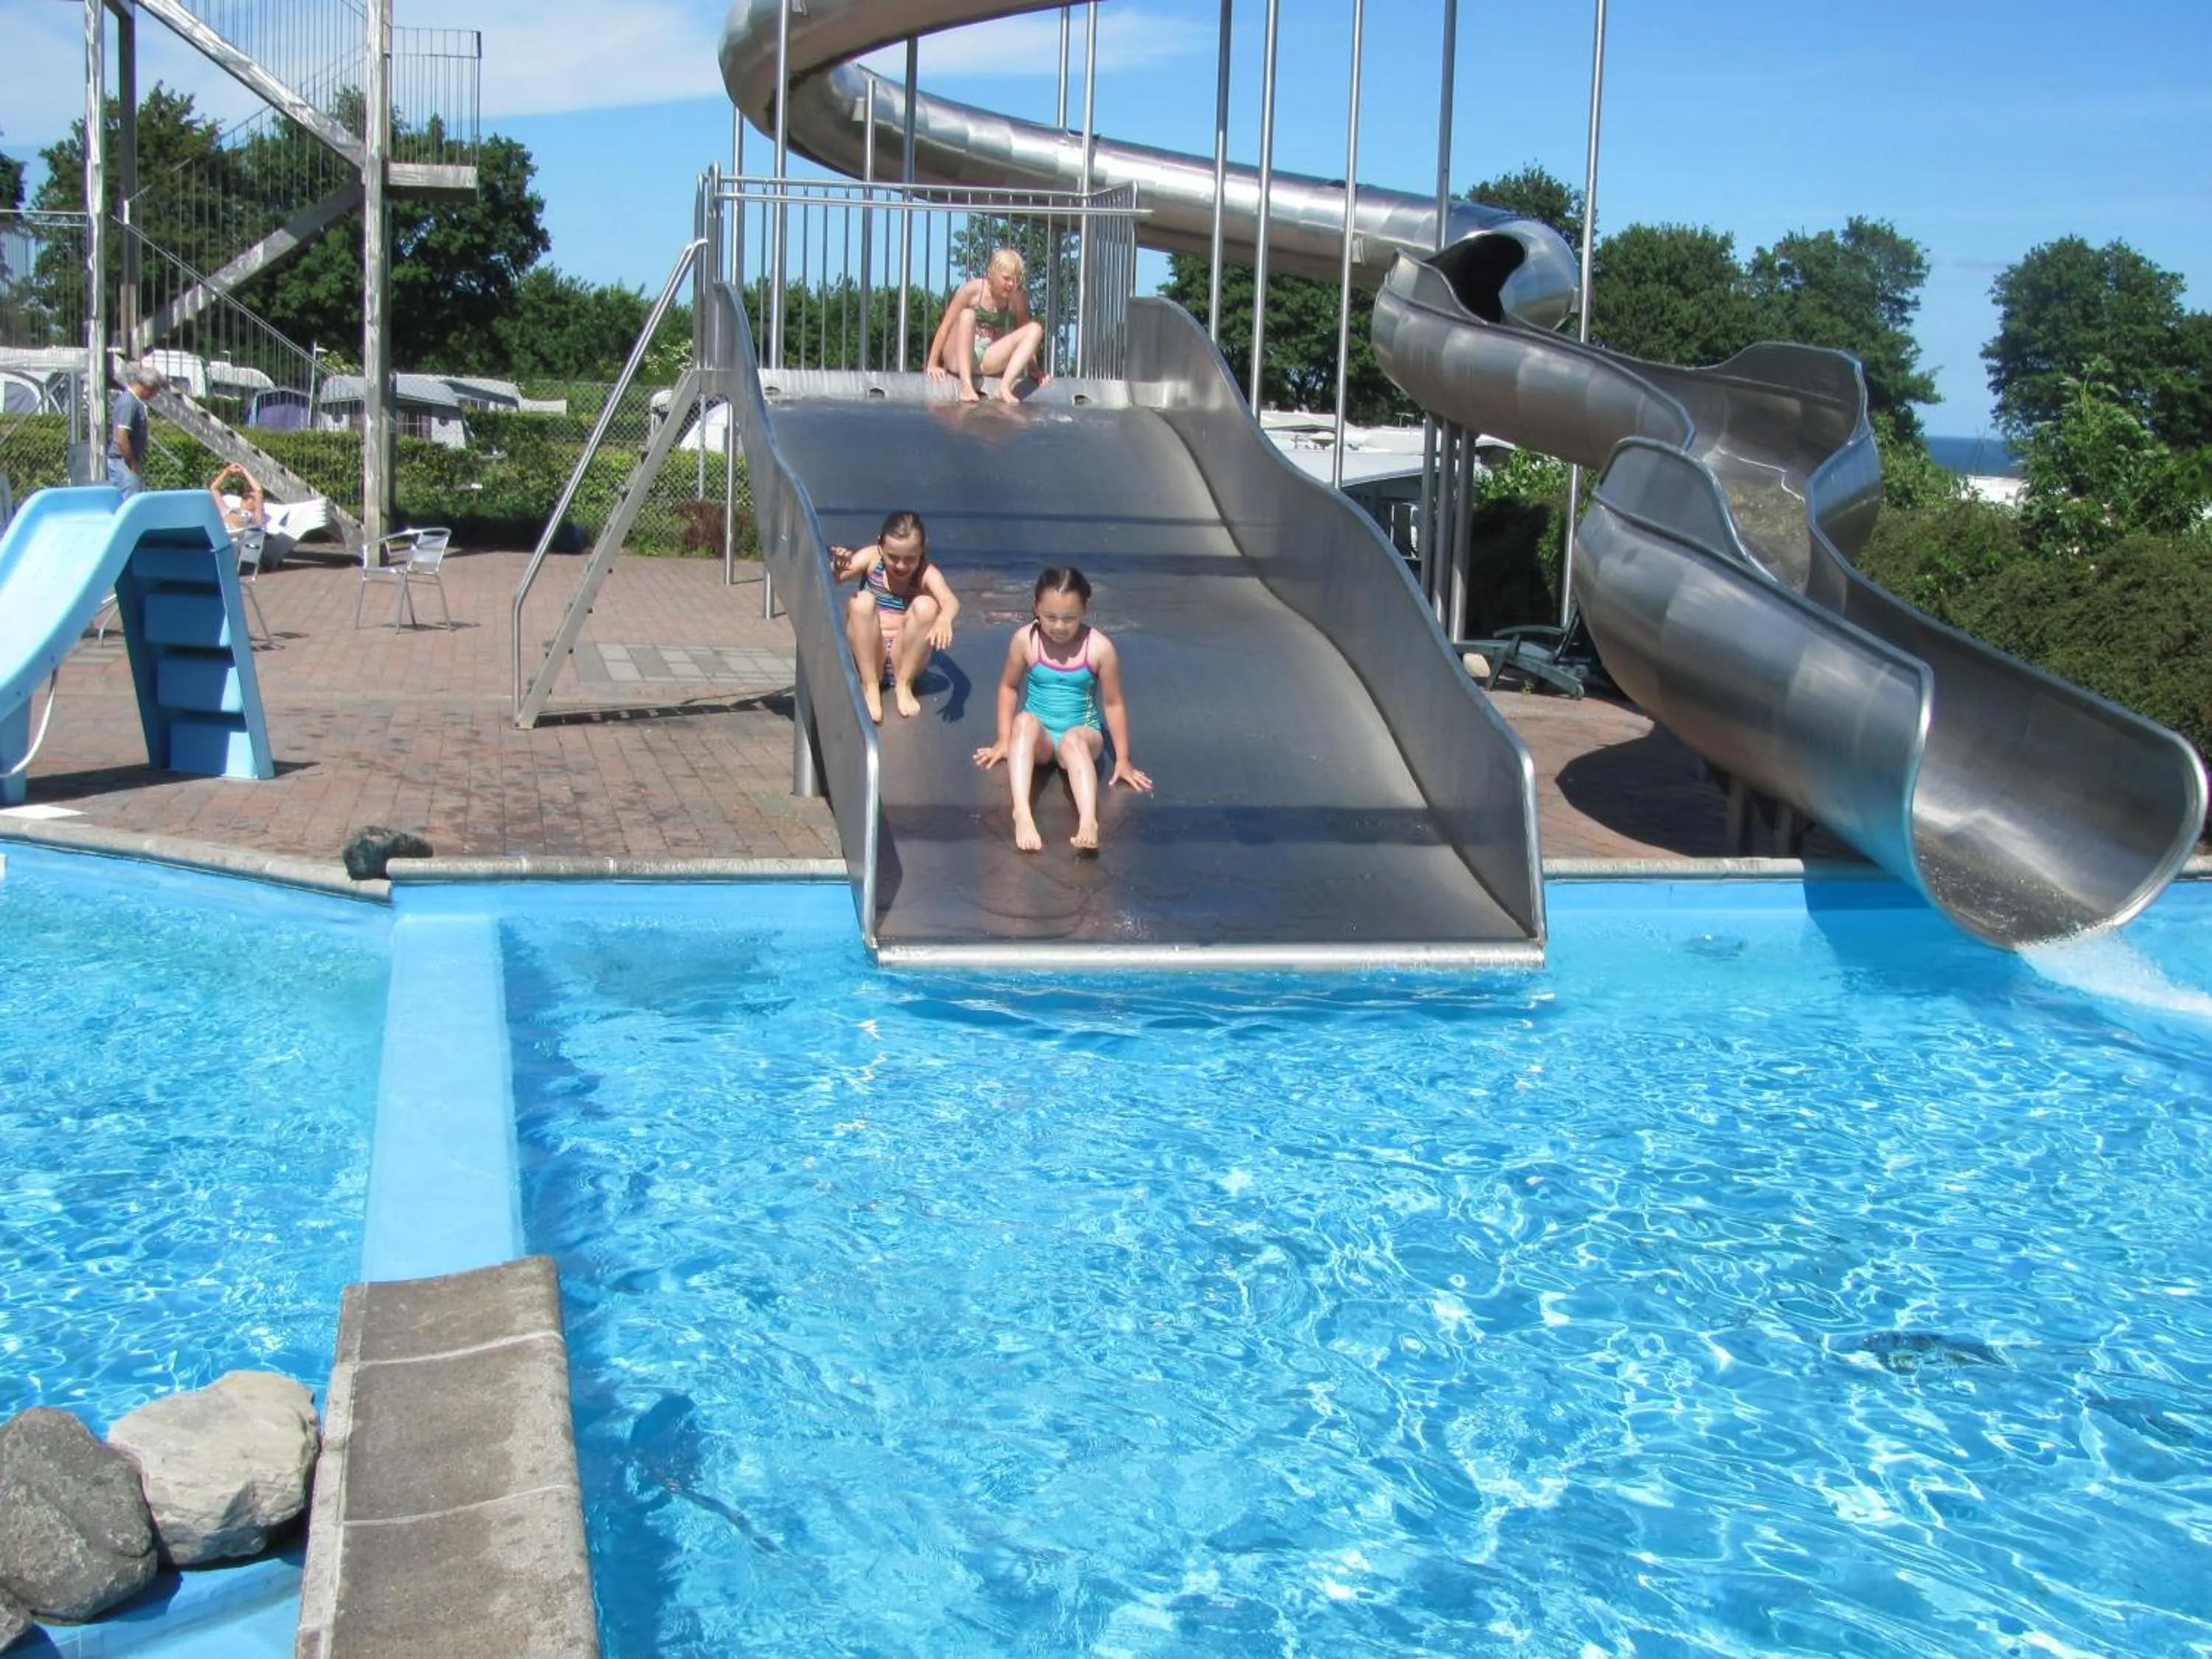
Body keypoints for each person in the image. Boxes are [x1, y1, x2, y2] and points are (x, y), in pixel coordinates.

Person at [973, 566, 1151, 853]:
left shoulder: (1099, 649)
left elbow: (1113, 703)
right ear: (1036, 608)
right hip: (1040, 739)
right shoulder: (1026, 640)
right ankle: (1022, 813)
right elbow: (1008, 687)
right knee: (1024, 721)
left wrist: (1123, 760)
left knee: (1073, 740)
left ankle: (1088, 822)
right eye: (1050, 617)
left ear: (1085, 609)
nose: (1058, 626)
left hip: (1081, 735)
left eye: (1069, 618)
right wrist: (1004, 739)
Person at [830, 509, 961, 723]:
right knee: (861, 601)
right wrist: (837, 566)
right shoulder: (872, 558)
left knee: (927, 606)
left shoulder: (926, 573)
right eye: (893, 557)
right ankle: (870, 685)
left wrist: (944, 619)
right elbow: (831, 578)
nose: (901, 566)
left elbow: (950, 601)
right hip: (871, 654)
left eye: (910, 559)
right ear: (880, 546)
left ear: (923, 550)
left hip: (904, 657)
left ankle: (904, 684)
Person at [925, 247, 1048, 405]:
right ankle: (966, 385)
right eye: (1007, 278)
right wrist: (933, 363)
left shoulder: (1016, 297)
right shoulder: (973, 290)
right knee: (967, 316)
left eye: (1016, 280)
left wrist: (1034, 369)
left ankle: (1004, 387)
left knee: (1034, 329)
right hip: (958, 355)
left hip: (986, 358)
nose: (1011, 284)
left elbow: (1025, 337)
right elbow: (945, 327)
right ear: (992, 273)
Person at [108, 361, 164, 498]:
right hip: (123, 463)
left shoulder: (135, 402)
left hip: (125, 462)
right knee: (130, 503)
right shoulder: (129, 403)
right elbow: (121, 437)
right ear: (148, 387)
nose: (155, 395)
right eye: (155, 391)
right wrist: (132, 463)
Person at [208, 462, 266, 546]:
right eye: (245, 496)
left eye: (250, 497)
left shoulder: (255, 519)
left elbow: (258, 491)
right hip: (216, 533)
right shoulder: (227, 510)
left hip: (229, 539)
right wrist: (227, 471)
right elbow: (213, 488)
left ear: (255, 505)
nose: (246, 496)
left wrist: (243, 470)